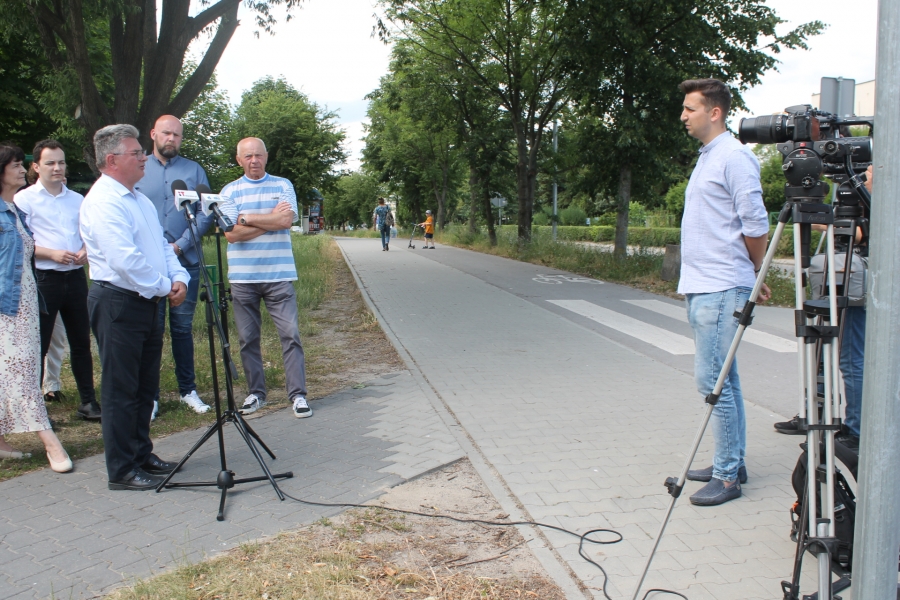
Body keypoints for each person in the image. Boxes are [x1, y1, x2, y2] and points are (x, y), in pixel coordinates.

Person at [677, 79, 771, 506]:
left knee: (713, 381)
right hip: (704, 284)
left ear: (714, 112)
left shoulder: (734, 156)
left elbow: (755, 222)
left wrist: (754, 270)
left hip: (720, 285)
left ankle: (727, 477)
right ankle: (730, 461)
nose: (683, 116)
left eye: (690, 108)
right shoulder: (709, 156)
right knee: (724, 378)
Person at [80, 125, 187, 490]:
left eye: (142, 152)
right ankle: (122, 469)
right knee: (120, 390)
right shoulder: (103, 201)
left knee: (144, 386)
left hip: (148, 301)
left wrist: (179, 277)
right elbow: (125, 261)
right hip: (119, 302)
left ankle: (141, 453)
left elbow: (161, 248)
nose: (144, 158)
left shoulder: (139, 199)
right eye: (136, 153)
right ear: (112, 160)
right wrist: (164, 286)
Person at [219, 138, 312, 419]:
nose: (254, 160)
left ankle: (298, 395)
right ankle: (256, 393)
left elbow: (286, 221)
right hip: (243, 278)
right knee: (248, 339)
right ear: (239, 160)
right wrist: (269, 220)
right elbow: (230, 234)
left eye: (258, 155)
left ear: (266, 157)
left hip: (279, 275)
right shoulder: (228, 192)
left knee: (290, 335)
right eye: (248, 156)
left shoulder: (283, 185)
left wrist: (245, 218)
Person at [14, 139, 101, 421]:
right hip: (44, 279)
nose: (57, 168)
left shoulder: (77, 199)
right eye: (50, 163)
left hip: (74, 277)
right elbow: (20, 241)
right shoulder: (24, 199)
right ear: (36, 167)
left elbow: (89, 234)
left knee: (80, 341)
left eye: (61, 162)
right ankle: (36, 409)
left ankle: (88, 402)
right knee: (39, 344)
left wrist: (85, 251)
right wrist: (51, 254)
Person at [135, 115, 213, 419]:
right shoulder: (139, 168)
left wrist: (179, 245)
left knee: (182, 329)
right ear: (153, 133)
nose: (171, 139)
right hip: (149, 266)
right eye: (166, 133)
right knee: (152, 332)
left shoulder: (193, 171)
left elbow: (205, 214)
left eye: (177, 135)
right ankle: (150, 397)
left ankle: (188, 390)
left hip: (186, 261)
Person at [0, 142, 72, 472]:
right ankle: (49, 441)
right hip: (7, 308)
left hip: (26, 301)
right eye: (15, 165)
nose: (21, 169)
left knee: (15, 371)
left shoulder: (14, 210)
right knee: (23, 374)